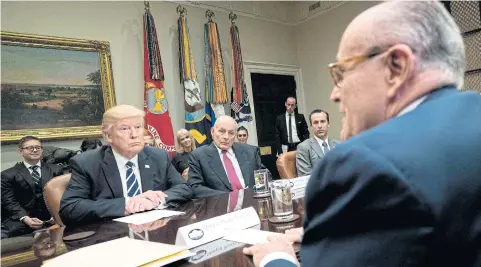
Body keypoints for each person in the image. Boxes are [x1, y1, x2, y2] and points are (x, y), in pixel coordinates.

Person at [244, 1, 481, 267]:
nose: (335, 94)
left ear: (396, 66)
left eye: (341, 73)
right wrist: (342, 232)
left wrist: (276, 257)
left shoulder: (364, 163)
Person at [60, 105, 193, 226]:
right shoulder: (87, 163)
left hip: (155, 231)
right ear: (108, 136)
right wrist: (127, 204)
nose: (134, 135)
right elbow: (70, 208)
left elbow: (184, 188)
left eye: (138, 127)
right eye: (124, 129)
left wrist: (156, 199)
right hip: (111, 238)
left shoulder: (158, 156)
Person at [188, 116, 266, 198]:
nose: (226, 137)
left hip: (252, 203)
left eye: (231, 133)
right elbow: (196, 188)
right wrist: (230, 197)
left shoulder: (250, 151)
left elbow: (264, 177)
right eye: (222, 131)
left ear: (235, 135)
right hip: (220, 207)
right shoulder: (199, 156)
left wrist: (254, 191)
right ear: (212, 131)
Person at [1, 136, 63, 238]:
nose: (35, 150)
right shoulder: (7, 175)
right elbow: (9, 202)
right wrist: (25, 218)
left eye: (38, 147)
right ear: (20, 151)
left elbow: (63, 195)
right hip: (23, 219)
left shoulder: (56, 169)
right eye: (30, 148)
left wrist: (56, 214)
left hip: (53, 217)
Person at [296, 109, 340, 176]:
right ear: (311, 127)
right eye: (315, 122)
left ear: (328, 124)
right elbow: (305, 177)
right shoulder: (303, 147)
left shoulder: (338, 145)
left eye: (322, 121)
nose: (319, 126)